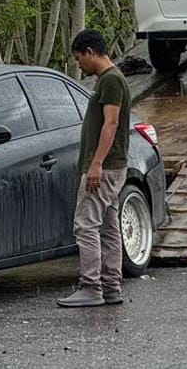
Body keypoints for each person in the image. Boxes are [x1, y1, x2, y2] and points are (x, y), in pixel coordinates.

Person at [58, 29, 131, 308]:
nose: (79, 64)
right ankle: (111, 285)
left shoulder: (111, 81)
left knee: (86, 224)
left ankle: (91, 286)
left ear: (90, 52)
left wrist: (96, 163)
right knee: (109, 226)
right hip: (112, 166)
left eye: (79, 58)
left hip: (106, 166)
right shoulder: (109, 80)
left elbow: (110, 123)